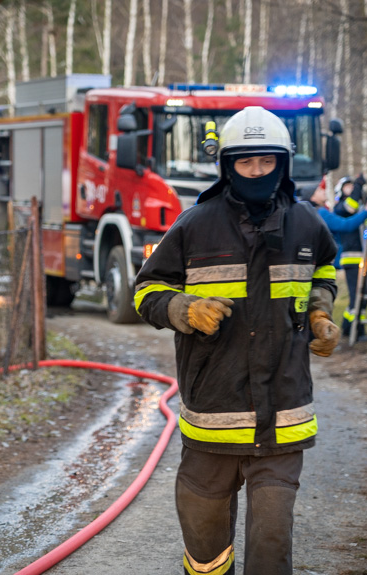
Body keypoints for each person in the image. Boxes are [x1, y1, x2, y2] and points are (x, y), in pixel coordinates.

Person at [134, 106, 339, 575]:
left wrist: (321, 310)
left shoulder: (308, 224)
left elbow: (324, 270)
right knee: (206, 552)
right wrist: (181, 308)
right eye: (245, 163)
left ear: (282, 163)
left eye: (266, 162)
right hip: (213, 416)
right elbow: (146, 290)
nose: (256, 172)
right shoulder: (194, 225)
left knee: (271, 546)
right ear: (227, 165)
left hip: (283, 418)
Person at [332, 173, 367, 341]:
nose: (351, 189)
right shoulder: (340, 208)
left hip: (366, 258)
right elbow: (350, 207)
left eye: (353, 186)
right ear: (340, 190)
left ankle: (349, 325)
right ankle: (356, 330)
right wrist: (358, 185)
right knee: (355, 296)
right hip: (352, 259)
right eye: (348, 186)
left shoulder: (361, 206)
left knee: (365, 296)